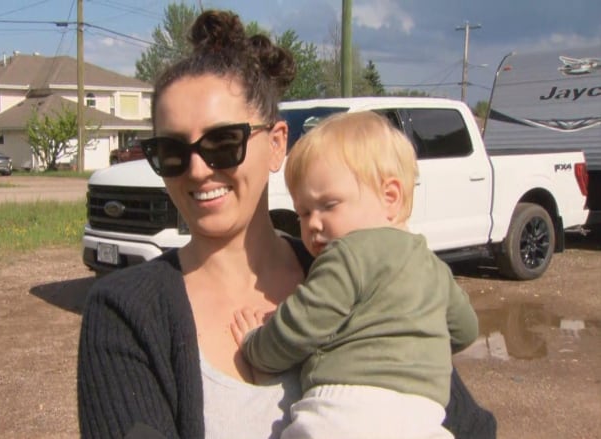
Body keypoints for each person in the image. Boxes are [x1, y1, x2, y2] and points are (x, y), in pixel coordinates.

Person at [77, 9, 496, 439]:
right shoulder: (125, 312)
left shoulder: (369, 272)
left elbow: (470, 426)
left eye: (223, 142)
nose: (198, 170)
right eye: (171, 151)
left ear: (277, 144)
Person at [231, 111, 479, 439]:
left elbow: (301, 325)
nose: (313, 223)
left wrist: (254, 345)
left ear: (390, 197)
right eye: (303, 212)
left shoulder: (348, 253)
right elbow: (465, 329)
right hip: (426, 416)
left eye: (328, 205)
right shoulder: (432, 266)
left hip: (345, 413)